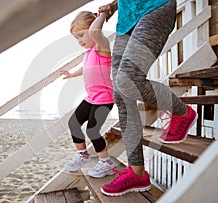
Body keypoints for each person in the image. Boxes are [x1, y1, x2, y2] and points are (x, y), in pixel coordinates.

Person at [98, 0, 197, 196]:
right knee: (120, 92)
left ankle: (182, 111)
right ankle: (137, 173)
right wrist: (115, 5)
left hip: (154, 6)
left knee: (128, 80)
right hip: (125, 21)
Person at [60, 10, 116, 178]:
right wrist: (71, 74)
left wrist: (103, 15)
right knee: (74, 123)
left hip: (104, 99)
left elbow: (95, 32)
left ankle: (106, 162)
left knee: (93, 130)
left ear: (92, 30)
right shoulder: (89, 53)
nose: (79, 41)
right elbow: (86, 68)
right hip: (91, 98)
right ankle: (83, 155)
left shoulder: (102, 46)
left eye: (81, 35)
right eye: (76, 38)